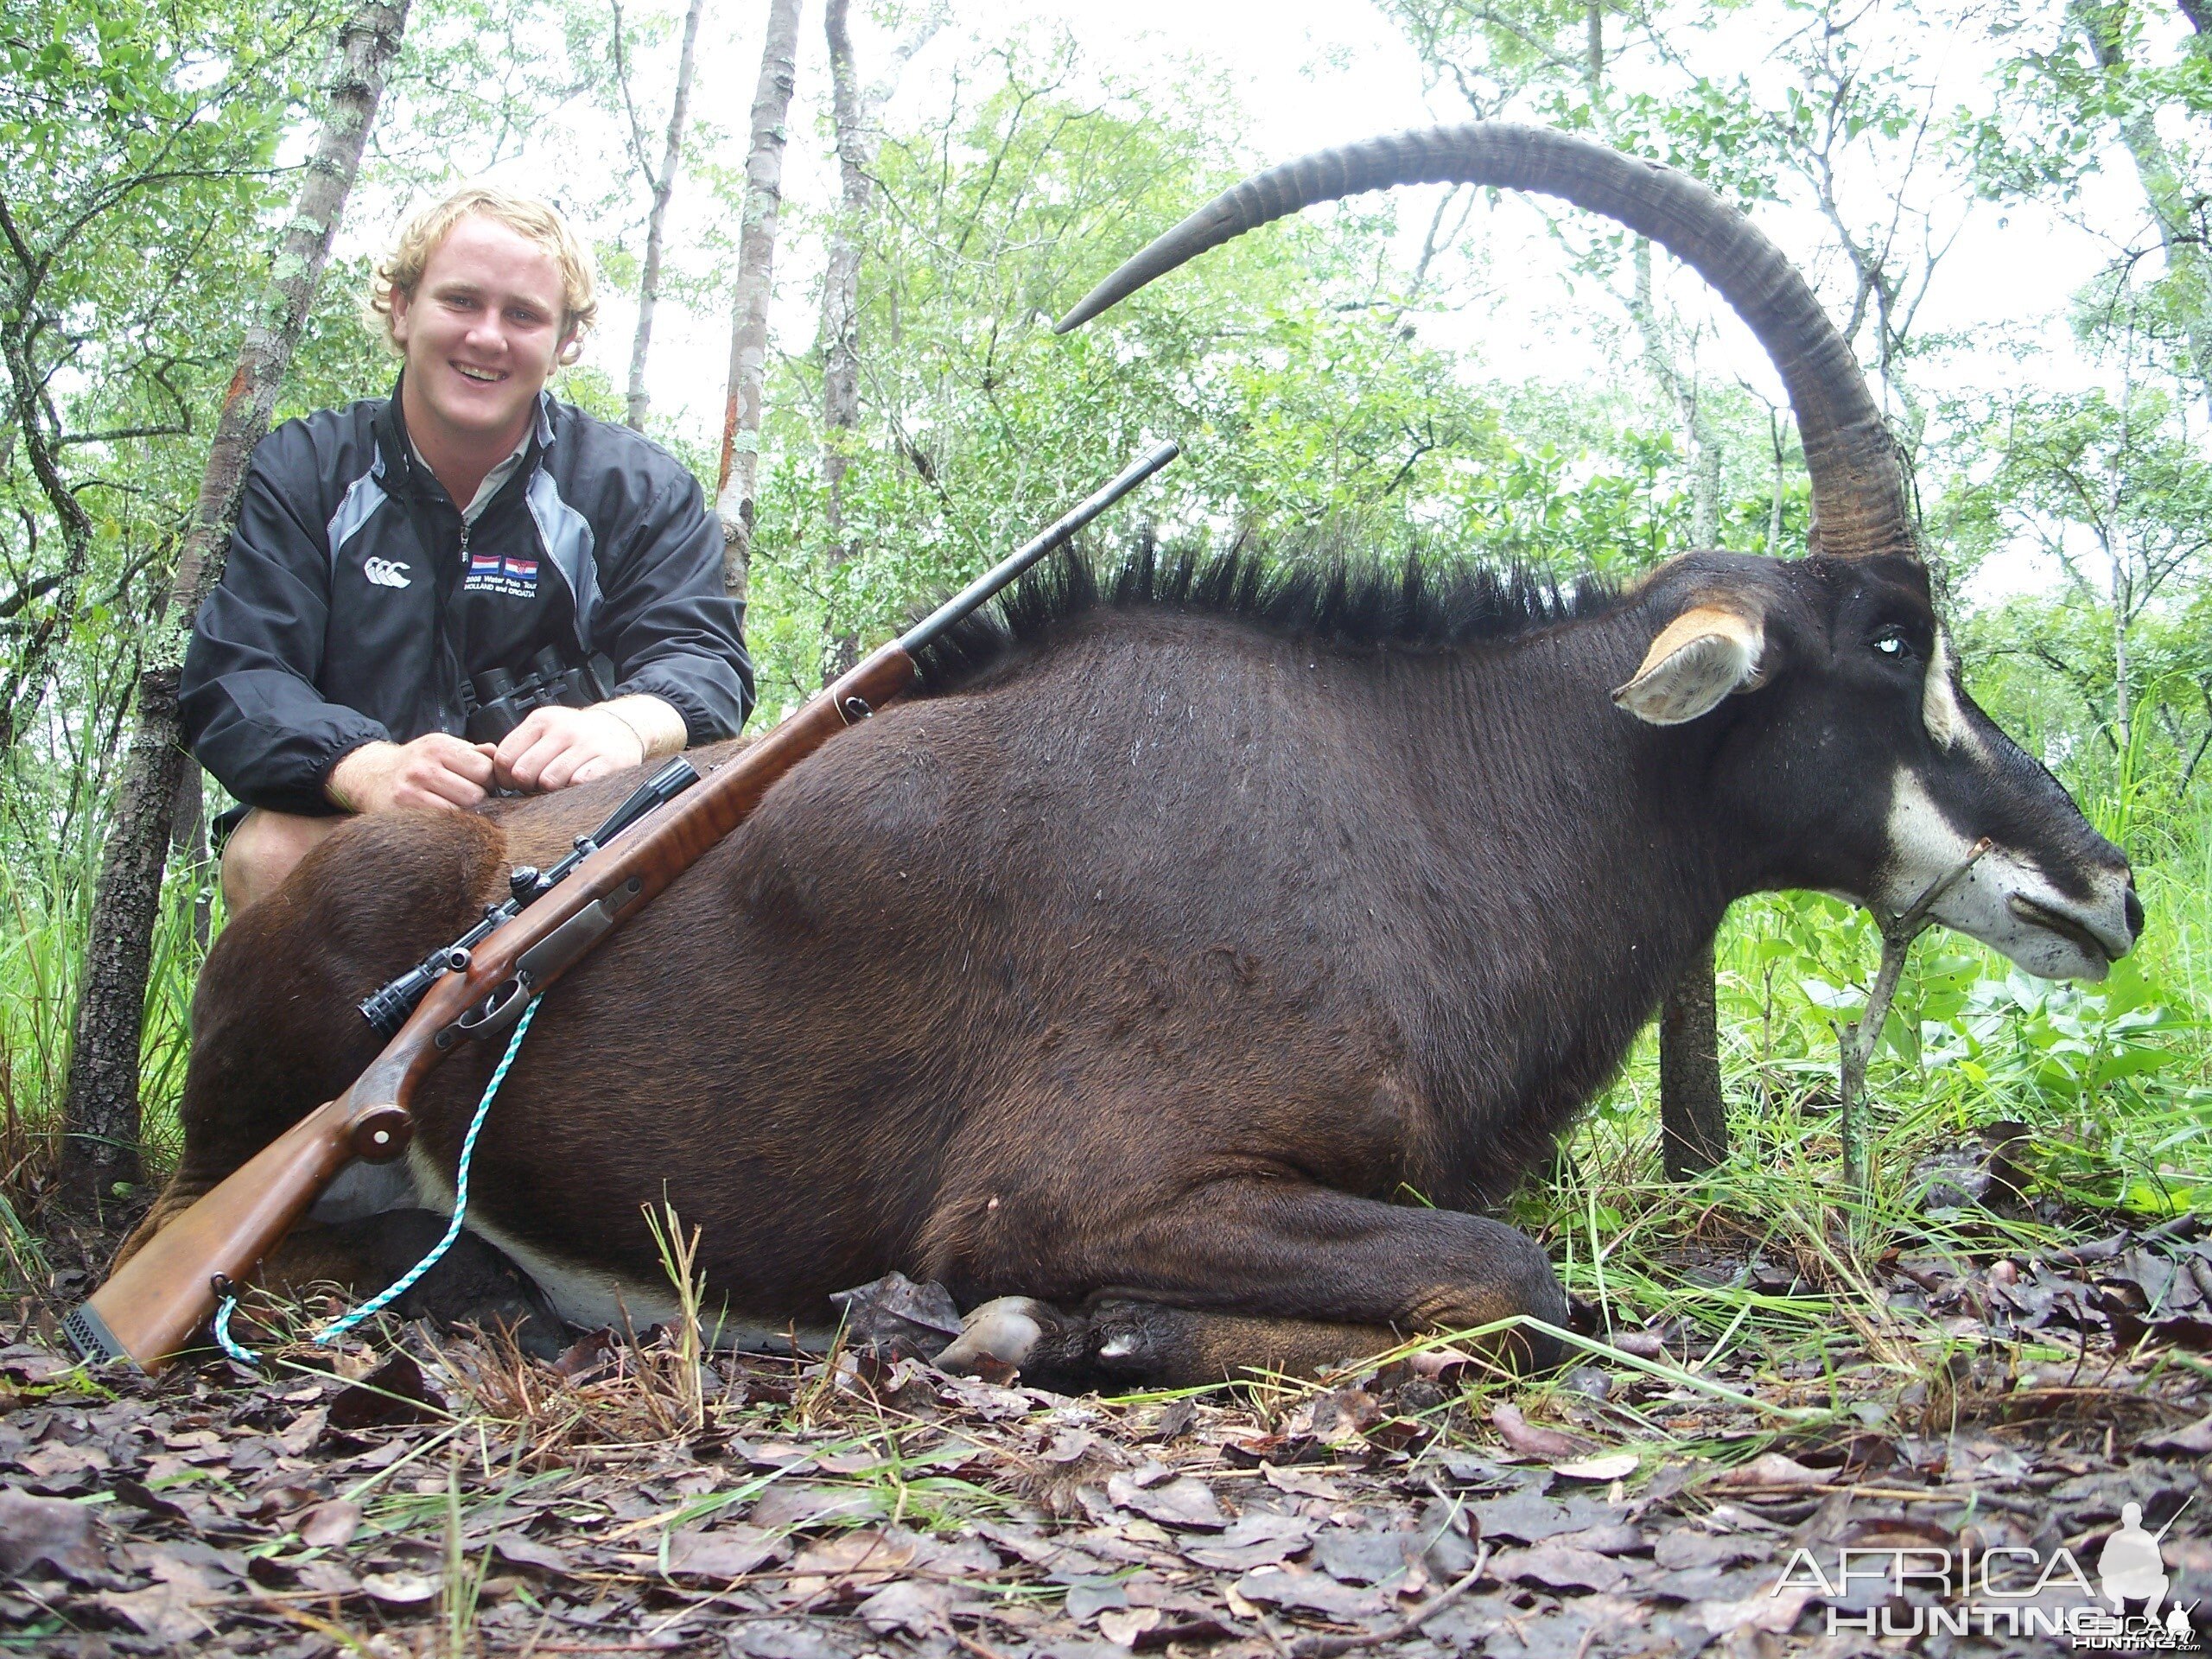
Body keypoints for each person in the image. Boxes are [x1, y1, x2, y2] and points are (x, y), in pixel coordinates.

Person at [181, 186, 753, 912]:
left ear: (564, 339)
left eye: (523, 315)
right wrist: (369, 769)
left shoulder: (635, 488)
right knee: (267, 853)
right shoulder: (308, 470)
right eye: (460, 301)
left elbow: (704, 662)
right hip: (356, 823)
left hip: (574, 834)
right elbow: (241, 675)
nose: (488, 337)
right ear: (400, 307)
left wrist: (619, 727)